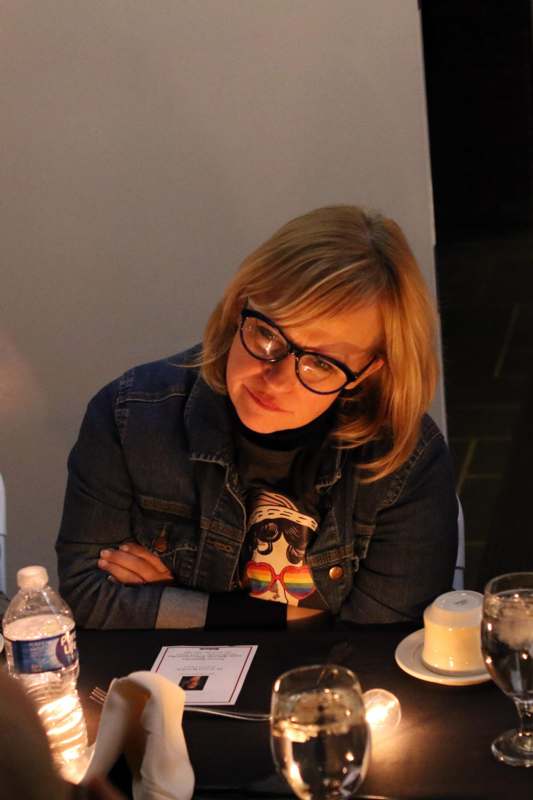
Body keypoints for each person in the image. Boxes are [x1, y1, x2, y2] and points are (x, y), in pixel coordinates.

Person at [56, 205, 458, 630]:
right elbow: (84, 596)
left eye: (321, 363)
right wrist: (302, 618)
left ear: (365, 374)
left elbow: (380, 642)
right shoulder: (129, 417)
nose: (277, 379)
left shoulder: (405, 461)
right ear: (239, 306)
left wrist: (176, 605)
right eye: (268, 334)